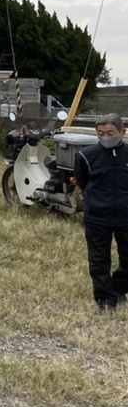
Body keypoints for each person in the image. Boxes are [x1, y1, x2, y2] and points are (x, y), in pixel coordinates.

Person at [73, 113, 128, 311]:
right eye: (101, 133)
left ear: (122, 132)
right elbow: (83, 181)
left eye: (110, 133)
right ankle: (105, 300)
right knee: (99, 260)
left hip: (125, 216)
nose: (106, 137)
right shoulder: (85, 156)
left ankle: (119, 287)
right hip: (97, 216)